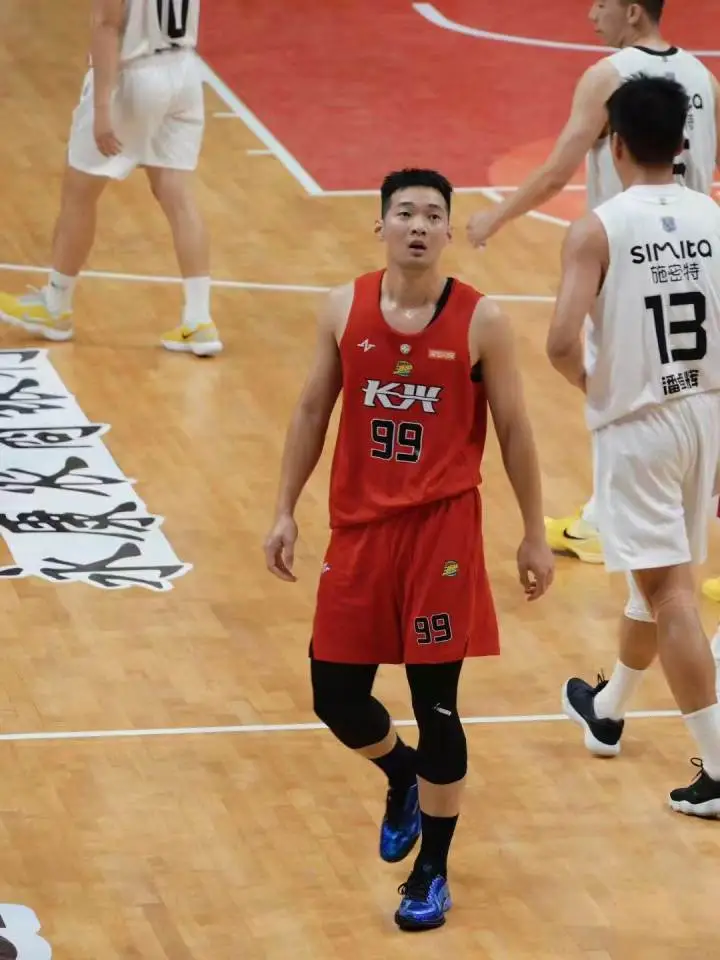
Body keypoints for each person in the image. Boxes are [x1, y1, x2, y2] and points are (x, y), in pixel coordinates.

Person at [264, 168, 554, 930]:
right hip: (360, 530)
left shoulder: (482, 320)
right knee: (334, 696)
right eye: (404, 213)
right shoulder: (344, 307)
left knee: (437, 705)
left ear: (449, 231)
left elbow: (516, 430)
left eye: (432, 215)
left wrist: (533, 531)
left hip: (441, 534)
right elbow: (310, 410)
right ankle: (400, 773)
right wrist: (284, 510)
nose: (418, 225)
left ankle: (431, 871)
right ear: (381, 226)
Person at [468, 0, 719, 565]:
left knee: (621, 395)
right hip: (698, 250)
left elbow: (559, 170)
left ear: (632, 12)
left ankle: (616, 525)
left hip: (630, 252)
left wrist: (497, 217)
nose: (590, 15)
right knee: (693, 393)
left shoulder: (608, 76)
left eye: (601, 4)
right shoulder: (704, 78)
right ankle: (609, 515)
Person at [546, 74, 720, 816]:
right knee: (658, 577)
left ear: (612, 144)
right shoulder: (713, 215)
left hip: (640, 423)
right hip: (706, 413)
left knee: (669, 589)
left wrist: (600, 389)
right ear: (683, 143)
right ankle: (609, 709)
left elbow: (560, 344)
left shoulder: (597, 228)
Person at [0, 0, 221, 357]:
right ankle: (199, 320)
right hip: (185, 73)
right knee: (177, 193)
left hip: (134, 77)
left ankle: (55, 306)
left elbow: (106, 25)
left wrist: (103, 107)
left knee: (79, 191)